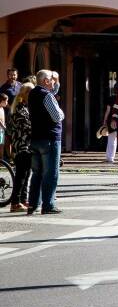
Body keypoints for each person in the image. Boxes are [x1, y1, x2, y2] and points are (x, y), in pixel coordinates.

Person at [27, 69, 64, 215]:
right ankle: (48, 205)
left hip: (35, 138)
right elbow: (56, 116)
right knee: (51, 173)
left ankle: (33, 204)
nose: (54, 81)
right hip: (50, 139)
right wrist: (62, 112)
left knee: (37, 173)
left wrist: (57, 79)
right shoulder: (46, 95)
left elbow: (52, 93)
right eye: (51, 79)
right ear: (46, 81)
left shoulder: (33, 93)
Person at [8, 83, 34, 212]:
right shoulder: (19, 108)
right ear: (26, 94)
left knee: (26, 174)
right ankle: (15, 203)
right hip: (22, 146)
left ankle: (23, 200)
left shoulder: (25, 107)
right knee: (21, 175)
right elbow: (27, 127)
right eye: (31, 93)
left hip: (26, 145)